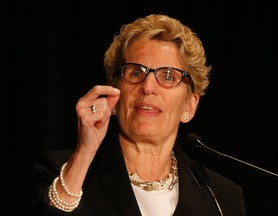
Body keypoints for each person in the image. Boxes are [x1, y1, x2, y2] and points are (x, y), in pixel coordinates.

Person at [26, 14, 246, 216]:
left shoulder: (222, 197)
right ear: (113, 90)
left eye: (168, 76)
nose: (148, 86)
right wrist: (84, 154)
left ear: (189, 106)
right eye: (135, 73)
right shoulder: (62, 170)